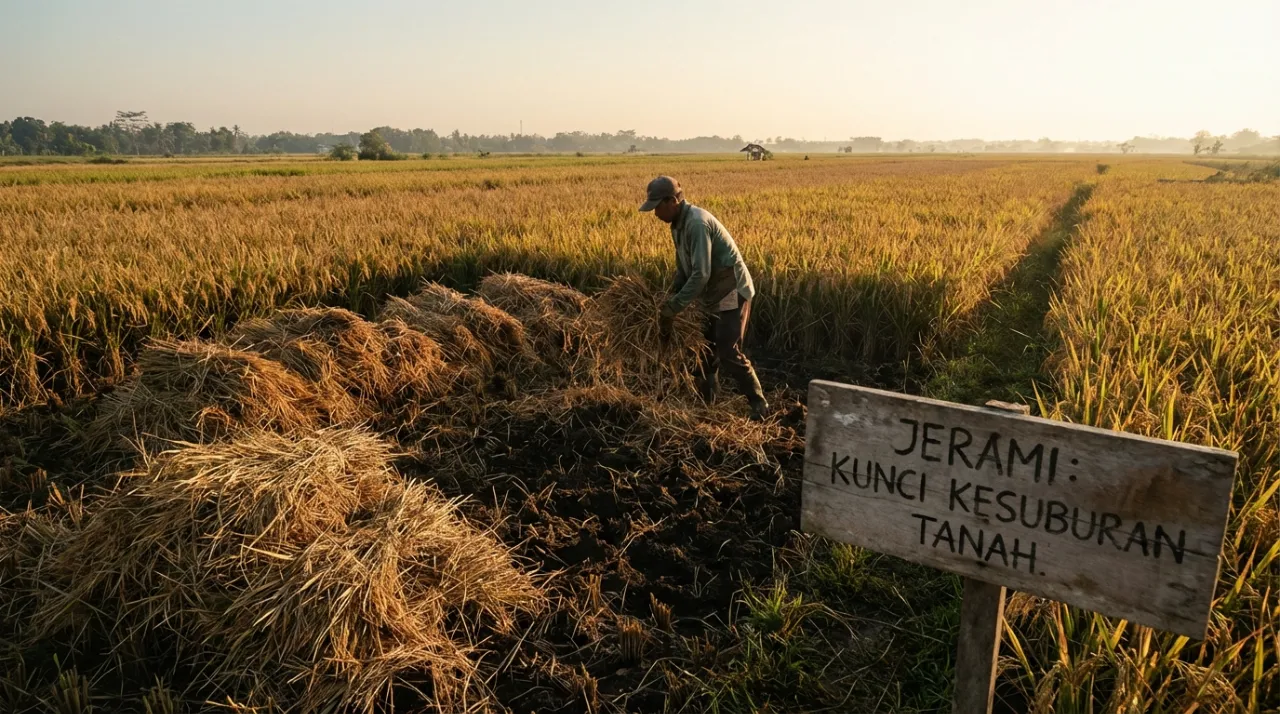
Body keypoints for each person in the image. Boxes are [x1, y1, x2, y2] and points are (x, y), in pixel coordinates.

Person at [639, 175, 769, 421]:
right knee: (705, 348)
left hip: (731, 290)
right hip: (712, 292)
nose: (655, 213)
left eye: (657, 207)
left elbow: (701, 274)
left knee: (728, 350)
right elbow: (683, 269)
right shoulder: (677, 226)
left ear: (672, 201)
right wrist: (669, 296)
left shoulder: (697, 223)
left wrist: (674, 307)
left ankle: (759, 404)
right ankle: (708, 403)